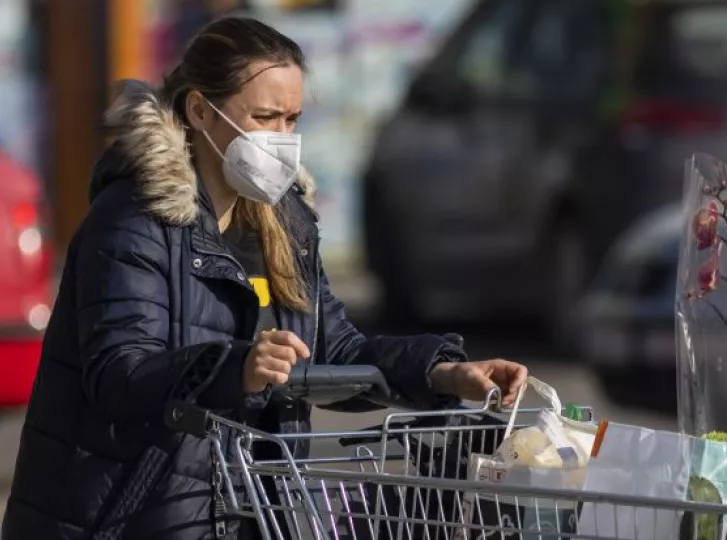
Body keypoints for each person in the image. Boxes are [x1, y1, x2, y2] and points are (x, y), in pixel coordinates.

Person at [2, 16, 528, 540]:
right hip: (126, 519)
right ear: (200, 111)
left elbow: (333, 352)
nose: (282, 139)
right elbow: (118, 376)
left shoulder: (287, 221)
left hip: (251, 510)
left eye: (292, 119)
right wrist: (238, 367)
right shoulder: (134, 222)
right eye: (265, 117)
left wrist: (443, 372)